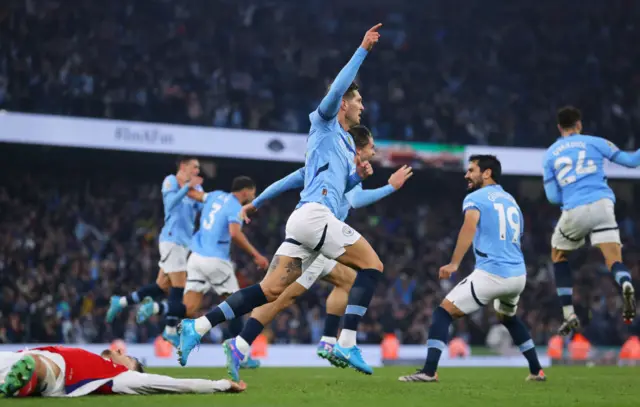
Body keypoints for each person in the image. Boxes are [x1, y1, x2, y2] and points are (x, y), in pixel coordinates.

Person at [177, 24, 385, 376]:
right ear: (345, 103)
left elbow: (301, 178)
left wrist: (355, 177)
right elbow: (337, 87)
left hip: (305, 220)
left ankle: (196, 328)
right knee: (372, 267)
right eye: (359, 101)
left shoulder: (347, 145)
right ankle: (345, 342)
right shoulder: (324, 125)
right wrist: (362, 49)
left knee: (270, 290)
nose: (362, 107)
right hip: (315, 218)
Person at [220, 126, 412, 380]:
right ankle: (241, 344)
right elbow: (356, 200)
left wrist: (256, 203)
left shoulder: (341, 168)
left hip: (323, 240)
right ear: (357, 148)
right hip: (317, 238)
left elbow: (286, 182)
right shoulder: (338, 166)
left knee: (348, 281)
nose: (375, 152)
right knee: (280, 296)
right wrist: (390, 187)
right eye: (371, 147)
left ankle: (327, 340)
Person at [398, 155, 545, 383]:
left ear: (486, 173)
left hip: (492, 273)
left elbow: (469, 227)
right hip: (518, 275)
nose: (466, 175)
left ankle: (428, 371)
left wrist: (454, 263)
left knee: (442, 313)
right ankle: (537, 370)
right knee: (508, 318)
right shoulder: (511, 200)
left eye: (471, 170)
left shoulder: (476, 197)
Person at [136, 176, 267, 369]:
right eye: (253, 193)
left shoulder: (214, 196)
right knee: (238, 305)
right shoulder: (234, 206)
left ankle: (156, 308)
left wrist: (183, 184)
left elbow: (193, 194)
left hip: (195, 258)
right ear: (245, 191)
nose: (253, 198)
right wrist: (256, 255)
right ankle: (242, 356)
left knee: (189, 308)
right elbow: (234, 233)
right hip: (216, 260)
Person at [543, 106, 636, 335]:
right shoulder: (595, 142)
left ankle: (568, 313)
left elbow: (552, 197)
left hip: (574, 209)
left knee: (558, 254)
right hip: (603, 204)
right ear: (579, 124)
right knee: (613, 258)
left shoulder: (550, 154)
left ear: (559, 127)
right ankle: (625, 282)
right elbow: (631, 161)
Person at [107, 156, 204, 347]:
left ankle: (122, 302)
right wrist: (187, 188)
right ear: (184, 167)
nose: (197, 171)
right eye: (195, 167)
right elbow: (170, 204)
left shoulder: (197, 188)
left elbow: (201, 205)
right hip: (171, 240)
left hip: (185, 243)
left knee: (162, 286)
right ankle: (169, 330)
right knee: (179, 286)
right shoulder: (170, 181)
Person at [0, 346, 245, 397]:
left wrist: (220, 385)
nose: (119, 349)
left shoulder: (121, 376)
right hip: (24, 354)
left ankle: (27, 378)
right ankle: (20, 376)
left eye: (128, 357)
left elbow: (174, 384)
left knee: (40, 366)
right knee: (23, 360)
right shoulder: (93, 357)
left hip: (56, 371)